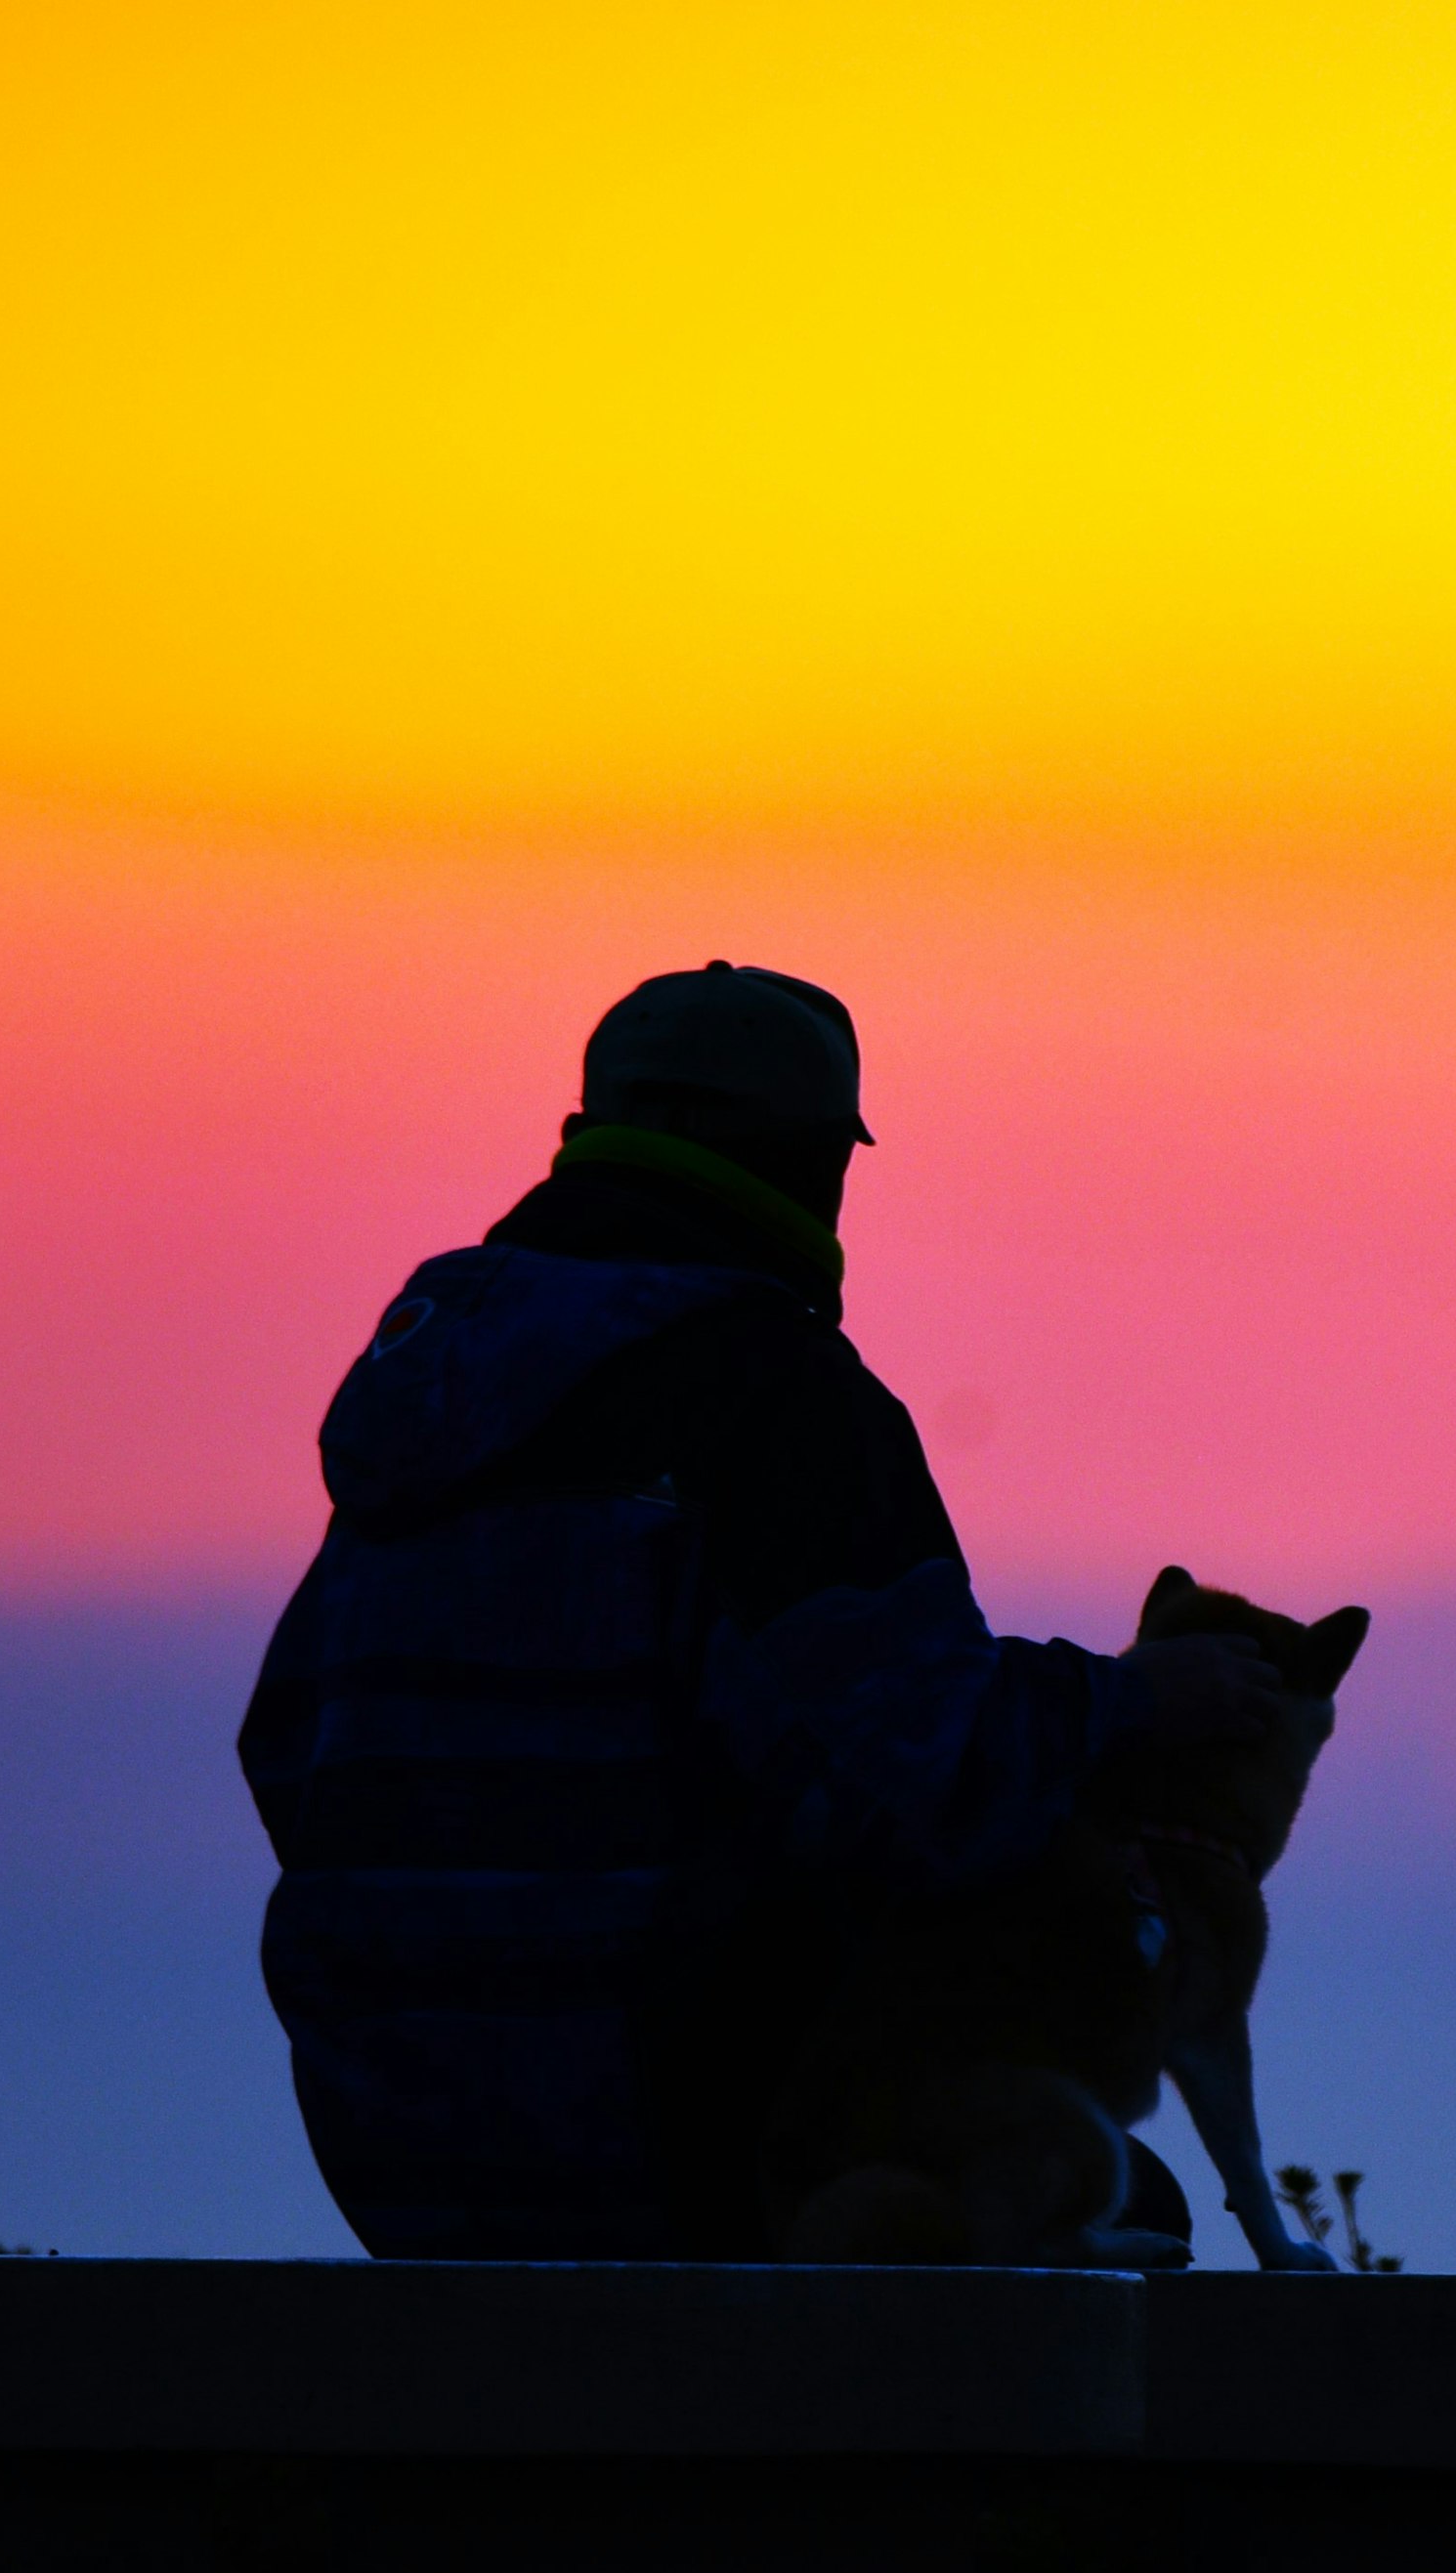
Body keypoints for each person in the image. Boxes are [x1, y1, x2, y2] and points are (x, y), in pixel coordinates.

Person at [237, 962, 1283, 2258]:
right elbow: (929, 1773)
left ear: (587, 1139)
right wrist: (1129, 1702)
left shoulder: (428, 1401)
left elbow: (281, 1746)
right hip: (672, 2132)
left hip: (394, 2137)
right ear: (811, 1165)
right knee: (1089, 2186)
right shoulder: (780, 1403)